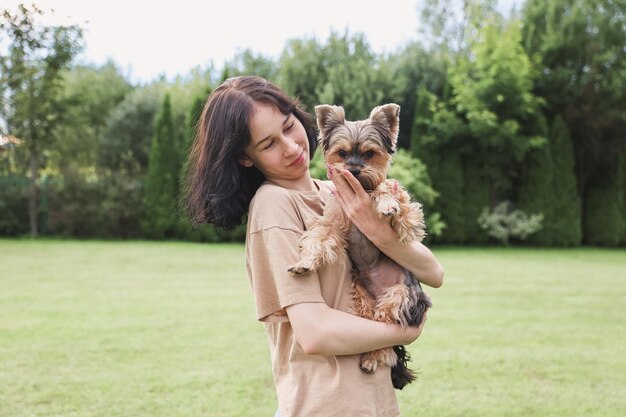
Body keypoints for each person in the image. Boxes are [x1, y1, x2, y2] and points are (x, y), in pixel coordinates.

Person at [183, 76, 443, 417]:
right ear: (245, 158)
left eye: (289, 127)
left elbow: (434, 272)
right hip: (323, 404)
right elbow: (314, 333)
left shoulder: (335, 192)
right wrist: (402, 333)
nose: (291, 147)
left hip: (372, 401)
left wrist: (374, 228)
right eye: (268, 144)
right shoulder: (274, 204)